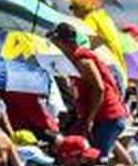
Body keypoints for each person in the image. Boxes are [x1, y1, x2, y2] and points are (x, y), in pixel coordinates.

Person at [52, 22, 129, 154]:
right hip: (106, 117)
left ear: (63, 43)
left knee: (94, 158)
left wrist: (89, 119)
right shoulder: (74, 60)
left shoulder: (83, 61)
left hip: (107, 116)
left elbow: (99, 89)